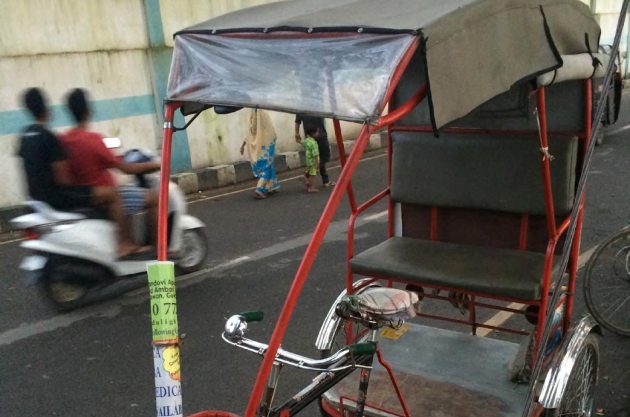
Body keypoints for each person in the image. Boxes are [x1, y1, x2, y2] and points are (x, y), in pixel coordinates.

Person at [60, 88, 160, 257]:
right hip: (105, 196)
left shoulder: (65, 140)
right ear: (88, 111)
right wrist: (155, 165)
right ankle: (157, 249)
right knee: (153, 198)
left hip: (84, 197)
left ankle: (132, 243)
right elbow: (124, 168)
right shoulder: (93, 139)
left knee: (128, 193)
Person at [240, 108, 279, 199]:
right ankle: (259, 189)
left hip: (258, 148)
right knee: (267, 169)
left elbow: (250, 133)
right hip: (266, 146)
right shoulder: (262, 114)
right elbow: (269, 131)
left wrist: (243, 145)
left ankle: (271, 186)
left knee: (269, 166)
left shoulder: (252, 115)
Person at [295, 114, 335, 187]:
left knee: (317, 158)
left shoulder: (301, 108)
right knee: (324, 157)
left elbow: (297, 121)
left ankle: (325, 180)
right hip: (319, 134)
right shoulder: (317, 105)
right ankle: (307, 176)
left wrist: (296, 133)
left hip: (309, 136)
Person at [302, 126, 320, 193]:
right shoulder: (314, 143)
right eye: (317, 132)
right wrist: (317, 164)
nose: (318, 133)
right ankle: (311, 187)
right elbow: (315, 154)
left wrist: (297, 137)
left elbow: (301, 142)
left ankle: (305, 179)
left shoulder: (307, 140)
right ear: (313, 133)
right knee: (313, 175)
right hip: (313, 161)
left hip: (308, 160)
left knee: (309, 172)